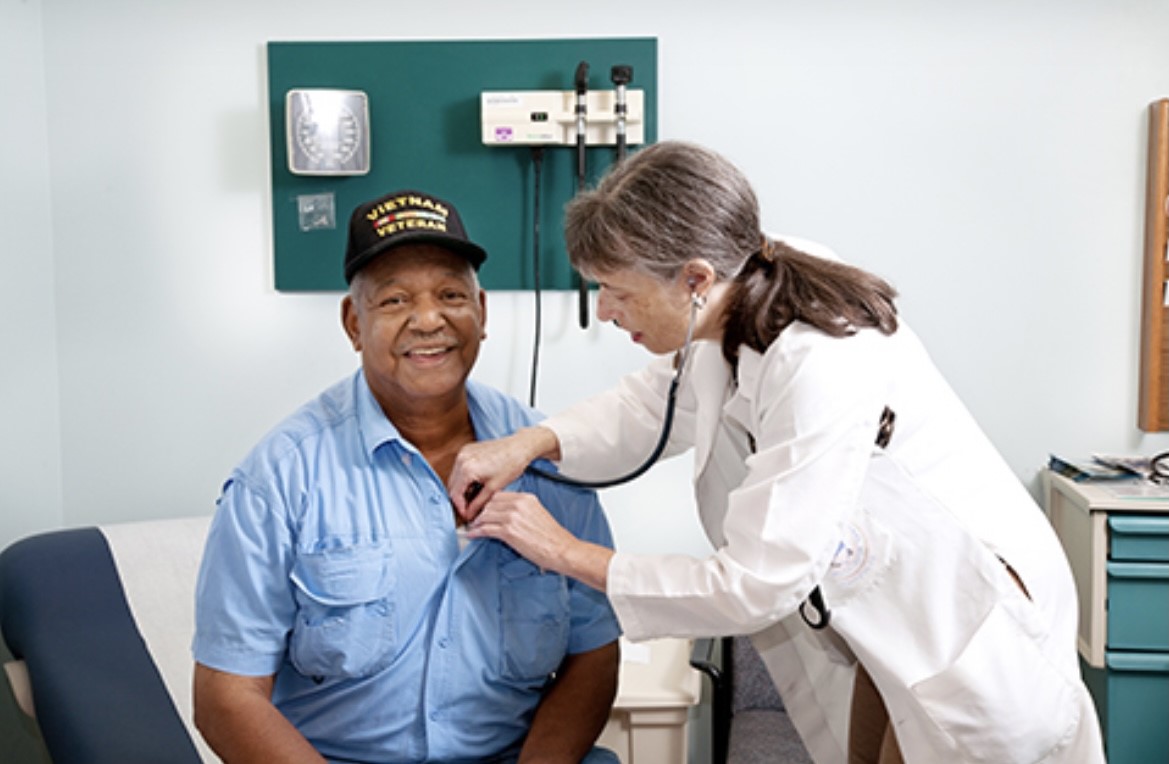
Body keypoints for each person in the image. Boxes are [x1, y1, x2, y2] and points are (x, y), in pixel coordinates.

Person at [449, 142, 1106, 764]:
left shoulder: (821, 356)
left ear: (694, 279)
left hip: (963, 634)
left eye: (617, 290)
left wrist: (565, 552)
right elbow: (657, 405)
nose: (606, 311)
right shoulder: (743, 282)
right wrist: (526, 443)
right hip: (885, 628)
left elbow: (757, 582)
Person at [192, 189, 622, 764]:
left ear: (482, 312)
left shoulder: (546, 457)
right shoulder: (280, 478)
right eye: (394, 301)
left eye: (450, 295)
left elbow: (594, 650)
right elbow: (227, 695)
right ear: (354, 323)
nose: (428, 320)